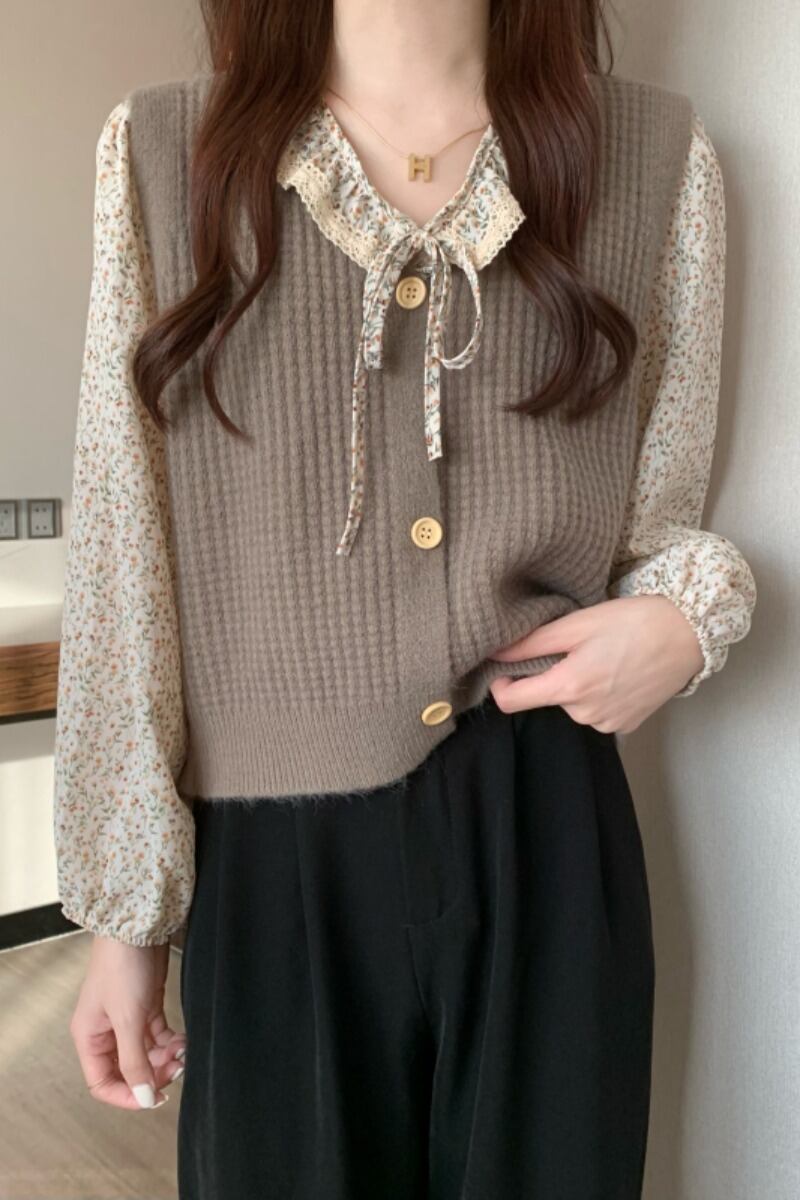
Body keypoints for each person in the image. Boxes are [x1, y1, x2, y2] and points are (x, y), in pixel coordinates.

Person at [53, 1, 757, 1196]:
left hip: (543, 823)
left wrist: (691, 615)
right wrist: (128, 920)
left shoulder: (654, 157)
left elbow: (656, 516)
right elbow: (126, 549)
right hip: (268, 855)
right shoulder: (166, 153)